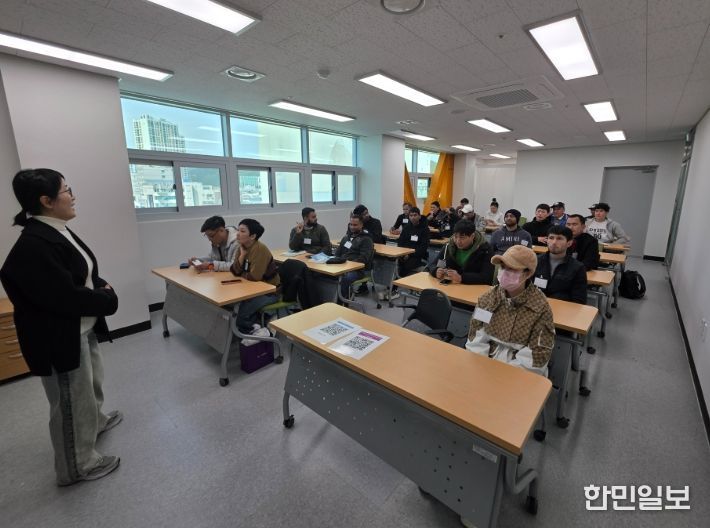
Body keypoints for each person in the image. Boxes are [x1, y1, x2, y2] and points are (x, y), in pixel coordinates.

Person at [0, 168, 121, 486]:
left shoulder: (55, 230)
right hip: (59, 335)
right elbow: (64, 296)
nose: (73, 195)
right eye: (67, 190)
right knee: (71, 400)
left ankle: (94, 423)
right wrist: (106, 299)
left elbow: (81, 273)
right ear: (47, 200)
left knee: (89, 386)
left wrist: (99, 286)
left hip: (81, 327)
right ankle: (76, 466)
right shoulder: (34, 245)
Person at [465, 245, 555, 376]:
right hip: (485, 359)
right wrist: (482, 365)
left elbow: (538, 353)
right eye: (503, 267)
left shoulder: (540, 307)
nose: (505, 272)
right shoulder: (488, 298)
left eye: (512, 269)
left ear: (528, 273)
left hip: (521, 369)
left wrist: (504, 374)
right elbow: (476, 333)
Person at [230, 219, 280, 337]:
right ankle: (252, 327)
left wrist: (241, 273)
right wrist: (242, 256)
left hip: (270, 292)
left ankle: (259, 332)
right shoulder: (241, 247)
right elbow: (234, 271)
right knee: (232, 307)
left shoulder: (260, 249)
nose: (237, 234)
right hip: (252, 290)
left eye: (242, 231)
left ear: (252, 236)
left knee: (241, 314)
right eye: (238, 230)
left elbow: (254, 277)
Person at [534, 225, 588, 304]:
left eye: (559, 238)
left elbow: (579, 300)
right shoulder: (535, 261)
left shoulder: (577, 268)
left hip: (562, 308)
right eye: (551, 238)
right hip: (535, 305)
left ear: (569, 243)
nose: (554, 242)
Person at [430, 219, 494, 285]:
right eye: (455, 236)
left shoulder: (485, 250)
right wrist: (436, 271)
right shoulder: (449, 246)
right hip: (452, 287)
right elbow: (433, 265)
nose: (458, 241)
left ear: (472, 236)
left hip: (473, 288)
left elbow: (487, 277)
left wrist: (461, 278)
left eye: (462, 237)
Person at [335, 214, 375, 300]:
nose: (352, 227)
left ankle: (345, 301)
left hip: (359, 270)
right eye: (351, 224)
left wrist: (347, 265)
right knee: (328, 275)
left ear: (361, 225)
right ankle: (334, 299)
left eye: (355, 225)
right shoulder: (346, 238)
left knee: (345, 279)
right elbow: (337, 254)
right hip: (343, 267)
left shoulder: (366, 239)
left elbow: (363, 259)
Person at [397, 206, 430, 279]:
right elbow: (400, 242)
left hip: (418, 256)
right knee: (395, 262)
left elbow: (423, 247)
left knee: (407, 265)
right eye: (411, 215)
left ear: (419, 216)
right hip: (405, 254)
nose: (413, 217)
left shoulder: (425, 229)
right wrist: (404, 253)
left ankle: (399, 280)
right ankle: (397, 280)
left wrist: (409, 254)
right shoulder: (406, 228)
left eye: (415, 215)